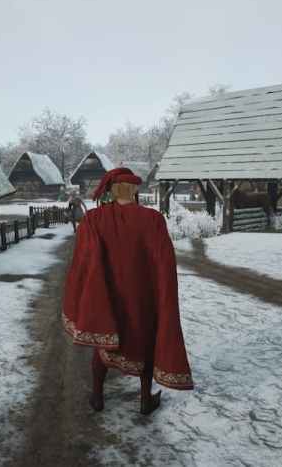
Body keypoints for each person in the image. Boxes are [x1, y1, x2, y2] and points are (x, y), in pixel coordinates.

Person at [62, 167, 193, 415]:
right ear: (135, 190)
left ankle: (98, 398)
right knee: (143, 345)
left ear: (111, 190)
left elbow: (83, 260)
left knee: (104, 346)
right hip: (142, 297)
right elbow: (164, 263)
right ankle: (145, 400)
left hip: (106, 296)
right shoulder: (153, 220)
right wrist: (161, 294)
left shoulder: (94, 219)